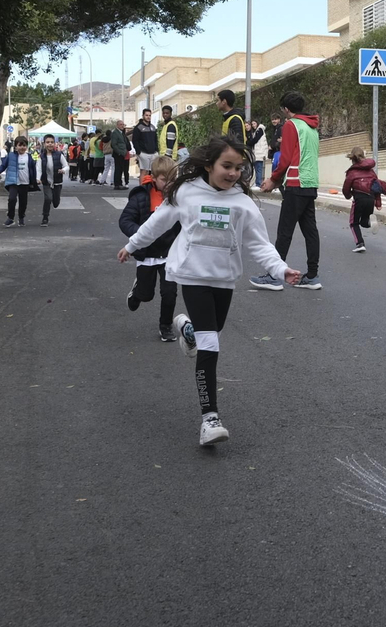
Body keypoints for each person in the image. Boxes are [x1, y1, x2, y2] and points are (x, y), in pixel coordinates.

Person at [119, 138, 300, 446]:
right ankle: (210, 419)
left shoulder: (242, 202)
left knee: (210, 332)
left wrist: (280, 269)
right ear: (208, 165)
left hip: (224, 278)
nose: (232, 174)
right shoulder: (186, 193)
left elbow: (258, 244)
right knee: (211, 345)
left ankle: (186, 329)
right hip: (191, 274)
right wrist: (132, 245)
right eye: (226, 166)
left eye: (238, 168)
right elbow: (157, 223)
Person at [253, 91, 322, 291]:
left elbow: (286, 158)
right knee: (311, 231)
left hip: (295, 182)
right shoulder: (311, 126)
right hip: (311, 183)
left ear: (286, 109)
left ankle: (275, 276)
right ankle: (312, 275)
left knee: (285, 231)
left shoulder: (291, 125)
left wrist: (274, 179)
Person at [120, 156, 182, 342]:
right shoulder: (141, 196)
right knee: (147, 295)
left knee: (169, 293)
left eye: (173, 179)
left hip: (169, 254)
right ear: (154, 178)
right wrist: (140, 235)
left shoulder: (179, 199)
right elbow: (125, 220)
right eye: (165, 180)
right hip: (146, 254)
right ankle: (137, 292)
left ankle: (165, 326)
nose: (169, 184)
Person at [341, 146, 386, 254]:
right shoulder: (371, 172)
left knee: (354, 223)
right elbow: (377, 187)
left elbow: (346, 188)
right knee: (364, 221)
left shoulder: (352, 172)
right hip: (370, 199)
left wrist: (348, 195)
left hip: (359, 199)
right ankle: (371, 223)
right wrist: (378, 202)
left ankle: (360, 244)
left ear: (352, 158)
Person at [0, 136, 37, 228]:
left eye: (24, 145)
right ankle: (10, 218)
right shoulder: (11, 155)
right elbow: (4, 165)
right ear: (15, 146)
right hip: (13, 182)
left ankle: (21, 218)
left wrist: (35, 180)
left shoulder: (29, 157)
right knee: (12, 199)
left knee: (23, 202)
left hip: (25, 183)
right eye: (20, 145)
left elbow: (33, 169)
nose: (22, 147)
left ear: (27, 147)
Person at [36, 135, 67, 227]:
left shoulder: (59, 155)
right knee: (48, 198)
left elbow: (66, 165)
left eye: (52, 142)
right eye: (48, 142)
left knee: (56, 203)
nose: (50, 144)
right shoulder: (41, 156)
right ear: (44, 144)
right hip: (46, 182)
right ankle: (45, 218)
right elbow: (39, 169)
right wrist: (38, 178)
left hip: (57, 182)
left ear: (54, 143)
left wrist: (63, 170)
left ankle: (56, 199)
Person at [132, 109, 159, 173]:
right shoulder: (138, 127)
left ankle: (150, 183)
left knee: (153, 172)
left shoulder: (153, 127)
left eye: (149, 115)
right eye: (146, 115)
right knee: (144, 172)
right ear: (143, 116)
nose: (148, 117)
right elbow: (135, 140)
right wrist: (139, 152)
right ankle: (142, 183)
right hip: (143, 153)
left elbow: (155, 140)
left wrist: (157, 150)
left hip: (153, 153)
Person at [109, 121, 132, 190]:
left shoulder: (122, 133)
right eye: (121, 125)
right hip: (118, 154)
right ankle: (117, 184)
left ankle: (120, 183)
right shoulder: (115, 133)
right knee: (118, 169)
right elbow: (113, 144)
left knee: (121, 169)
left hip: (123, 153)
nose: (122, 126)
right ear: (117, 125)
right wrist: (119, 152)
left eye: (123, 125)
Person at [248, 120, 268, 187]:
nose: (253, 125)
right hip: (257, 153)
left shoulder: (260, 129)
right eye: (252, 124)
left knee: (259, 168)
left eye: (254, 123)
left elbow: (255, 140)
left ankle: (258, 183)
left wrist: (249, 143)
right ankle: (257, 182)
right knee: (257, 168)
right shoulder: (256, 131)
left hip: (260, 152)